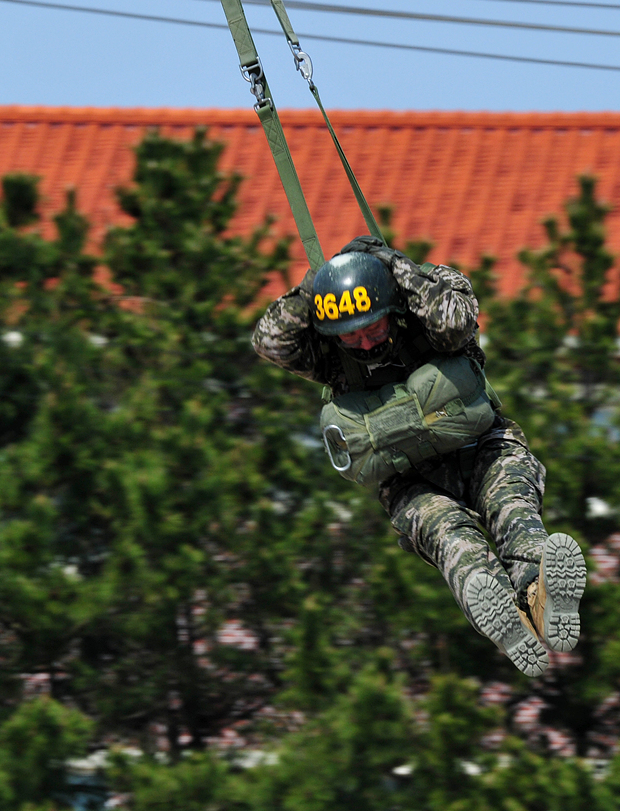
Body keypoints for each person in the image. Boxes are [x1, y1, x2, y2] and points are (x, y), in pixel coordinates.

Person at [251, 236, 586, 677]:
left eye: (374, 329)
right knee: (450, 538)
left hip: (485, 448)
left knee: (513, 512)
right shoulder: (330, 356)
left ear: (393, 311)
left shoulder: (431, 305)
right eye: (352, 334)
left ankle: (542, 592)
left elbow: (456, 321)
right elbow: (268, 341)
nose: (366, 343)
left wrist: (396, 268)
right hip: (412, 483)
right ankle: (500, 611)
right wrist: (315, 288)